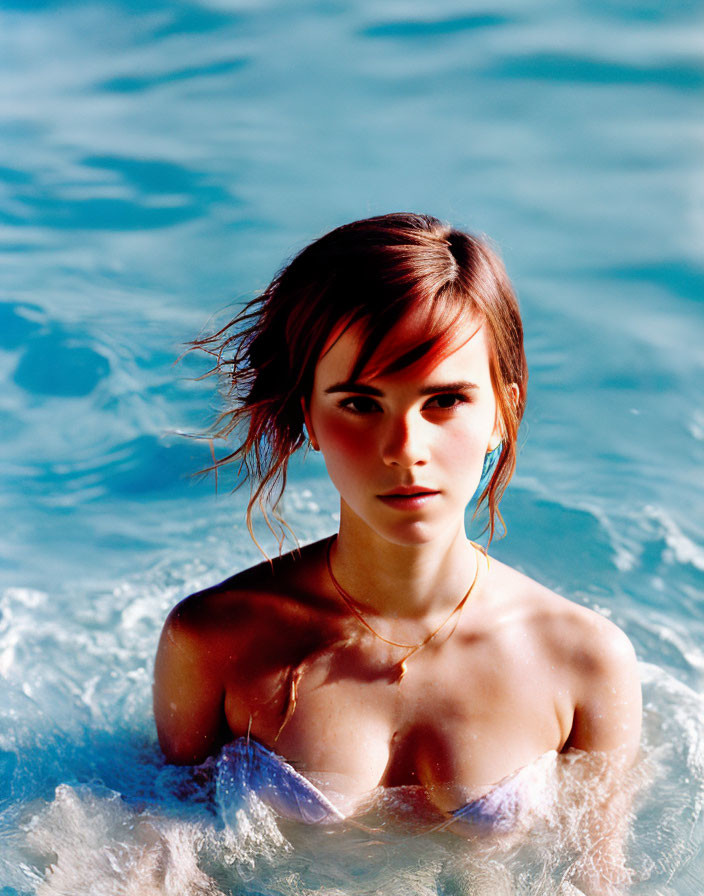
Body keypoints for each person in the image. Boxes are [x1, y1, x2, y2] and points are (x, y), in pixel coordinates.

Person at [154, 213, 641, 880]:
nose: (404, 450)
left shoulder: (585, 662)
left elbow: (597, 882)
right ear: (309, 420)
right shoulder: (214, 640)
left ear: (503, 410)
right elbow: (166, 856)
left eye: (443, 401)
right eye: (360, 403)